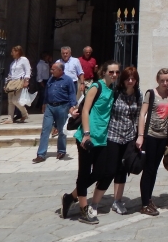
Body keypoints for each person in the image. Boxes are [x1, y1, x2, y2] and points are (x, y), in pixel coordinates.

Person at [61, 61, 118, 224]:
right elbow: (85, 110)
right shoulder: (96, 86)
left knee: (100, 172)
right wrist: (86, 134)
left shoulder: (112, 90)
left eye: (116, 72)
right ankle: (84, 209)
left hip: (102, 138)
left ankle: (70, 197)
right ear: (104, 72)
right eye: (111, 72)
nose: (114, 75)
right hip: (87, 137)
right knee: (84, 173)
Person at [96, 66, 143, 215]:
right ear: (123, 80)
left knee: (123, 169)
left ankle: (117, 200)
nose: (130, 81)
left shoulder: (138, 95)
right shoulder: (116, 93)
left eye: (133, 79)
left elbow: (138, 116)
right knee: (109, 170)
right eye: (128, 78)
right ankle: (95, 201)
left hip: (129, 137)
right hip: (113, 135)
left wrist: (139, 135)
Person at [136, 67, 168, 216]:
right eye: (162, 80)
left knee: (155, 169)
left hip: (163, 137)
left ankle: (149, 199)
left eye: (167, 80)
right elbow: (142, 114)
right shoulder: (151, 93)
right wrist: (140, 135)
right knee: (148, 169)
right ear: (157, 80)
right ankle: (144, 204)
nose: (165, 83)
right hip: (150, 135)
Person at [32, 61, 77, 163]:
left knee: (61, 130)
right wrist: (44, 103)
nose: (51, 71)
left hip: (63, 107)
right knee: (45, 129)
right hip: (50, 107)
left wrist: (72, 106)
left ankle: (61, 150)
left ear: (60, 70)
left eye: (53, 69)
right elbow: (47, 92)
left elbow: (72, 93)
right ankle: (41, 154)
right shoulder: (51, 79)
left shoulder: (68, 80)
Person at [2, 45, 31, 124]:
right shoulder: (13, 62)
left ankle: (25, 114)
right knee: (10, 101)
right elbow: (10, 73)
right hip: (11, 82)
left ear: (17, 52)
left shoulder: (24, 60)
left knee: (16, 101)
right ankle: (10, 118)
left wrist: (26, 81)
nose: (11, 54)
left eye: (13, 52)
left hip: (19, 82)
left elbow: (28, 70)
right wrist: (6, 83)